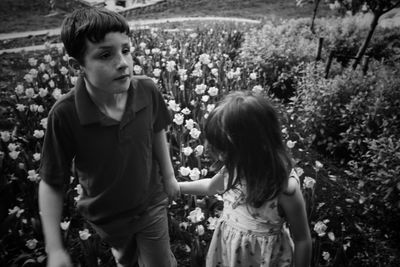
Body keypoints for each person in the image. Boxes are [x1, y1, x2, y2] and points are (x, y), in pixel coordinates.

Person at [38, 7, 179, 267]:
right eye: (105, 54)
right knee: (126, 260)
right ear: (77, 65)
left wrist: (169, 176)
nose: (122, 62)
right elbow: (52, 181)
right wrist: (55, 248)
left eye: (125, 50)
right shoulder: (65, 114)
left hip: (150, 202)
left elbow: (158, 129)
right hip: (107, 216)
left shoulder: (146, 89)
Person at [179, 91, 312, 267]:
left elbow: (302, 239)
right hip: (228, 254)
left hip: (264, 260)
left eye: (225, 151)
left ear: (254, 147)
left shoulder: (283, 187)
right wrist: (177, 186)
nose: (220, 157)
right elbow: (210, 187)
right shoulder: (235, 169)